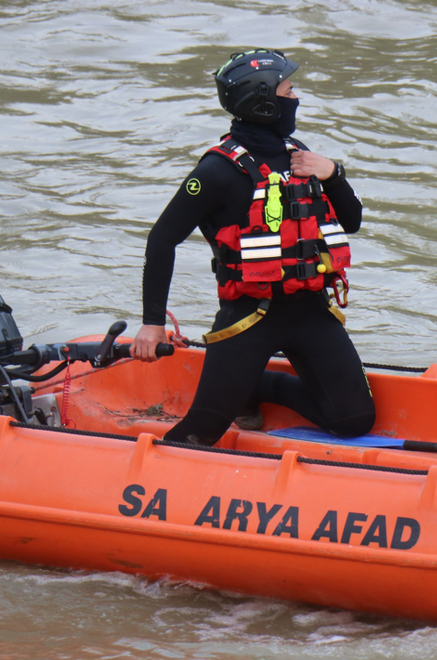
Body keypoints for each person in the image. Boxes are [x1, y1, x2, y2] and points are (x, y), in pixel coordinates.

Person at [131, 49, 375, 445]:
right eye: (289, 90)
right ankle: (240, 387)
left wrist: (333, 173)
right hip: (249, 317)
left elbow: (352, 221)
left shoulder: (301, 156)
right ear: (264, 102)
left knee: (355, 420)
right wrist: (152, 323)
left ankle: (261, 385)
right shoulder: (216, 171)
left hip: (311, 312)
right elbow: (162, 238)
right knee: (198, 435)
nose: (296, 97)